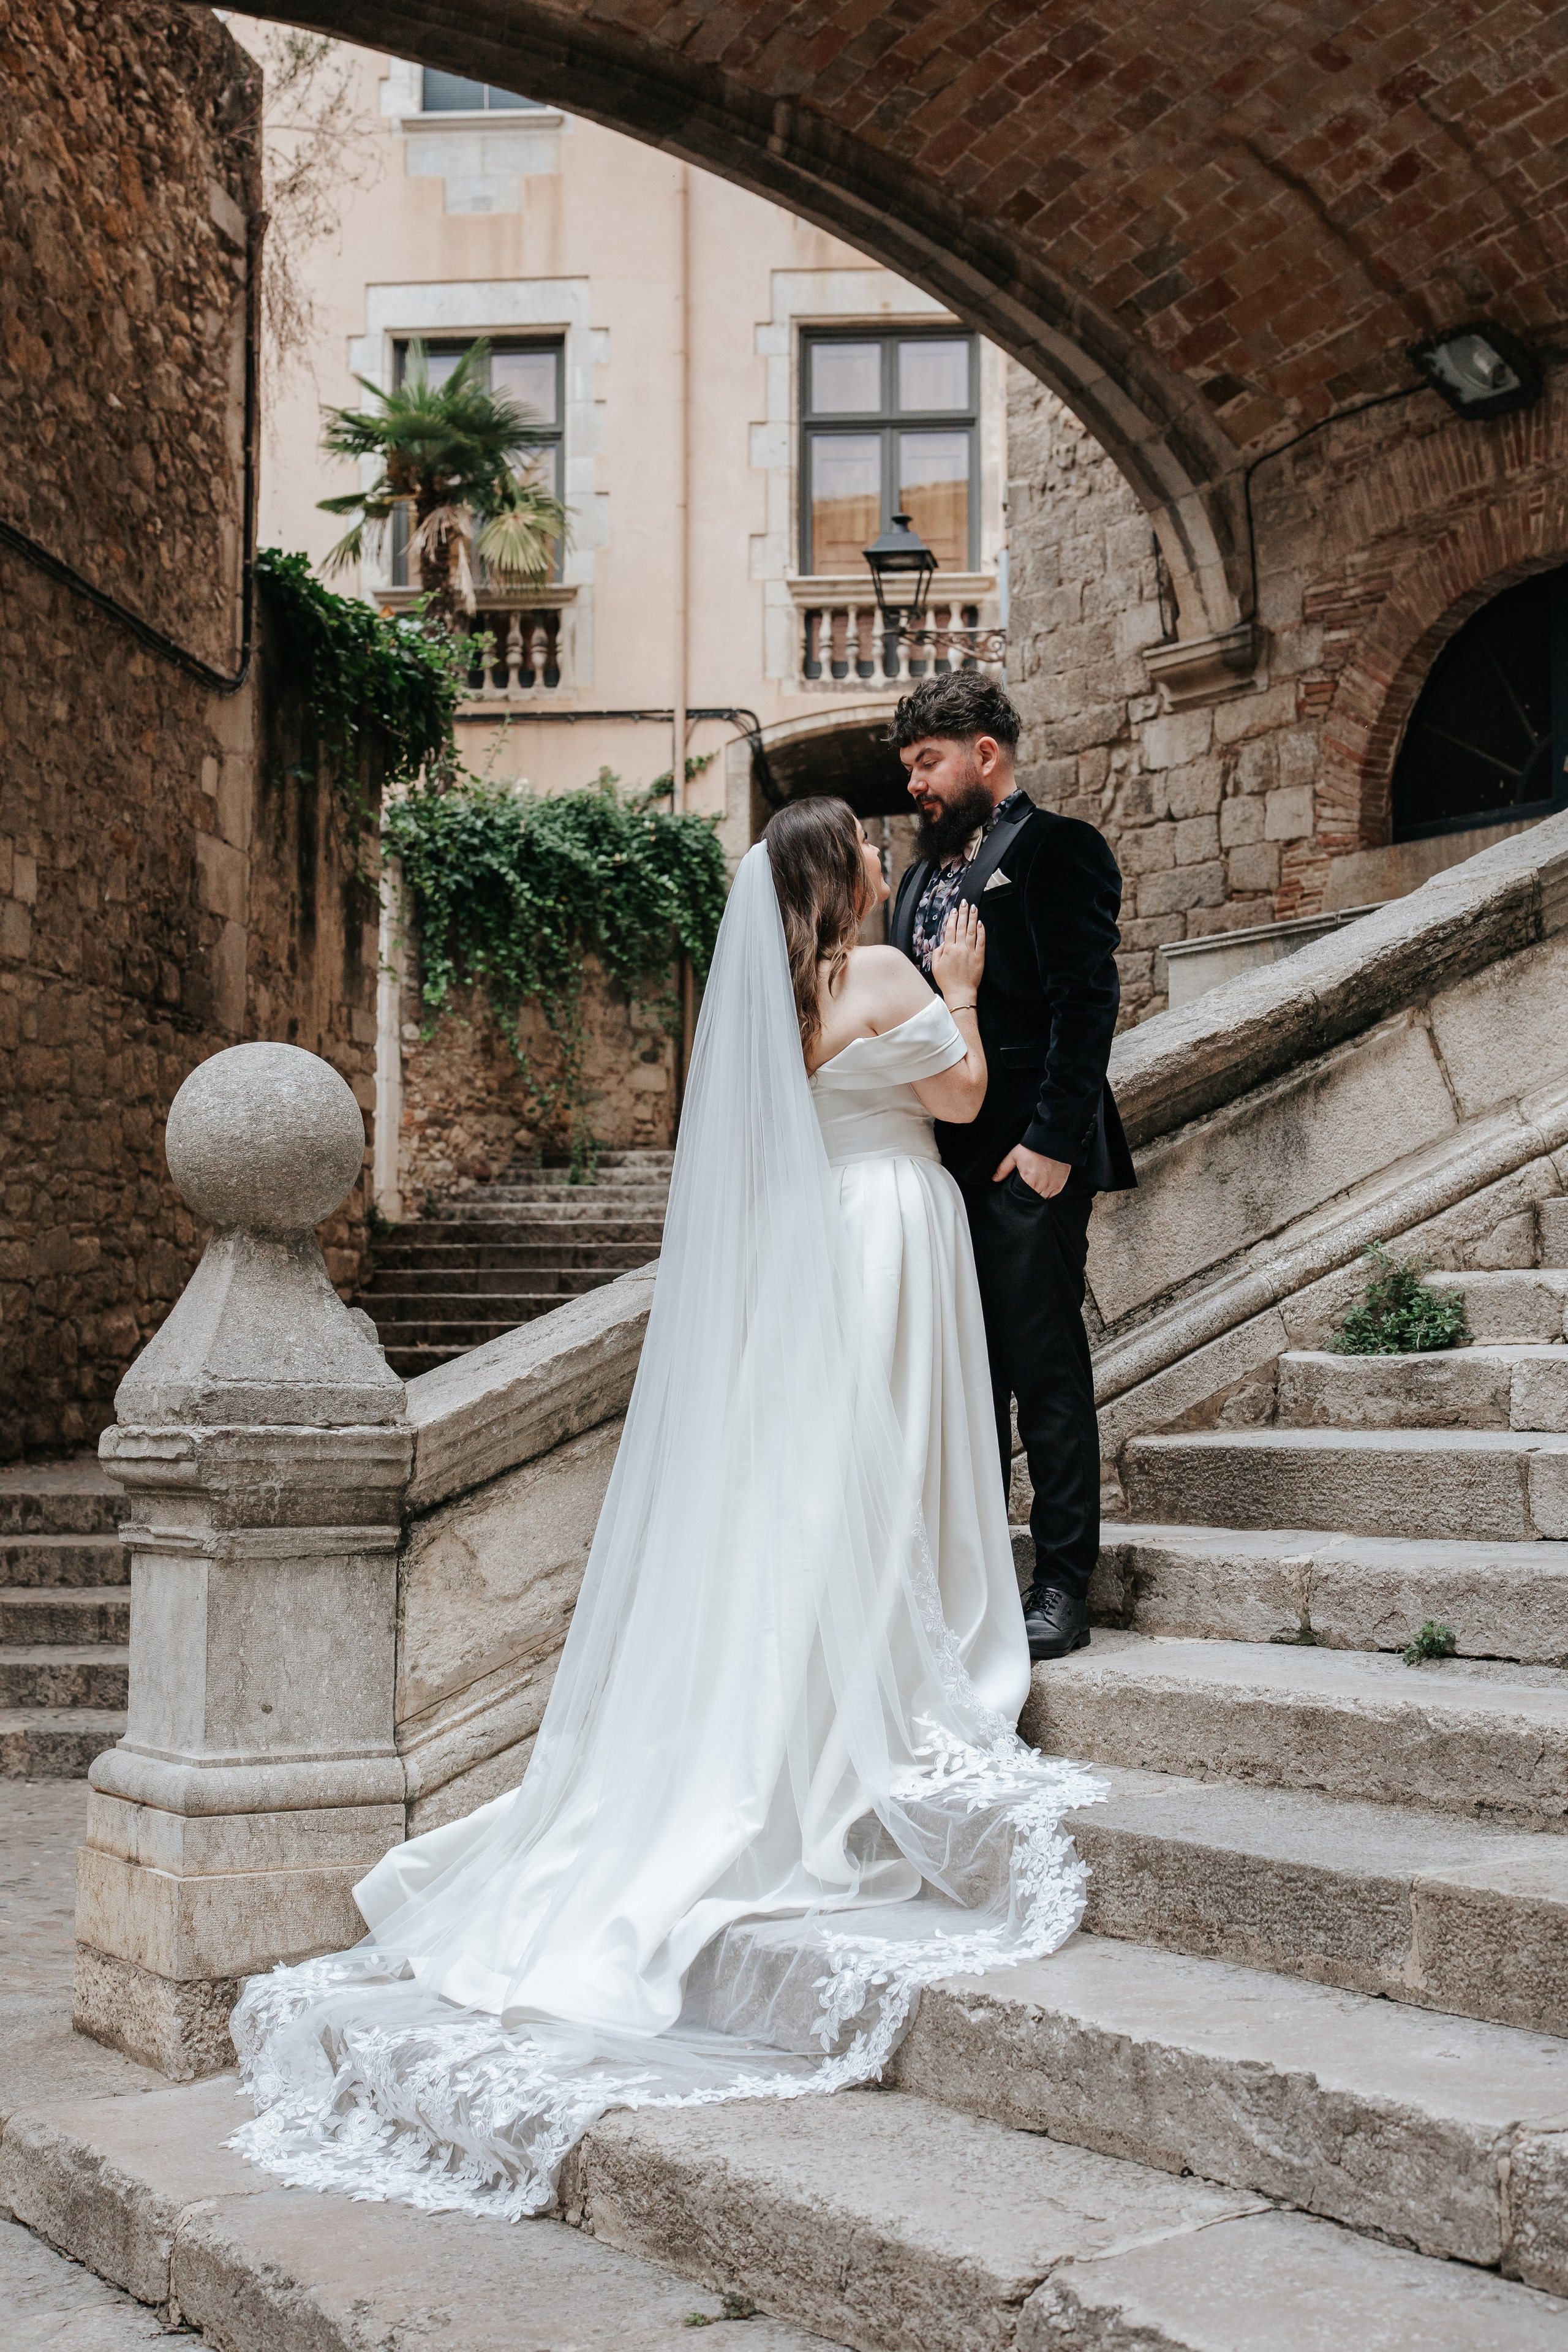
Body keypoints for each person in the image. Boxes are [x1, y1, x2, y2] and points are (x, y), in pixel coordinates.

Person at [227, 803, 1099, 2222]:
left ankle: (802, 1687)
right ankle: (891, 1672)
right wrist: (957, 990)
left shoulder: (769, 1007)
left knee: (818, 1482)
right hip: (893, 1227)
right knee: (889, 1468)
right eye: (864, 849)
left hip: (818, 1244)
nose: (883, 860)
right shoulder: (886, 973)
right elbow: (955, 1102)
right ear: (835, 877)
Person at [887, 674, 1136, 1663]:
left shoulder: (1057, 849)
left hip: (1029, 1162)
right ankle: (980, 1581)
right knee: (965, 1378)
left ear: (984, 754)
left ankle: (1063, 1585)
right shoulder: (914, 885)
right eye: (909, 768)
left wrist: (1050, 1149)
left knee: (1045, 1370)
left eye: (929, 762)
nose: (916, 784)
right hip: (938, 1169)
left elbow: (1087, 1003)